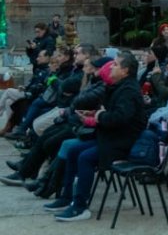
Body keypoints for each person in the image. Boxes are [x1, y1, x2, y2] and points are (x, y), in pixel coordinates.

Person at [44, 52, 147, 221]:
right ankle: (66, 197)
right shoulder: (118, 86)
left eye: (115, 64)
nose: (111, 67)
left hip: (122, 143)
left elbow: (120, 118)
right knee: (73, 150)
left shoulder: (129, 90)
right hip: (110, 137)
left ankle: (80, 206)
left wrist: (98, 117)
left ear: (125, 71)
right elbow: (111, 113)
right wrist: (94, 114)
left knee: (85, 157)